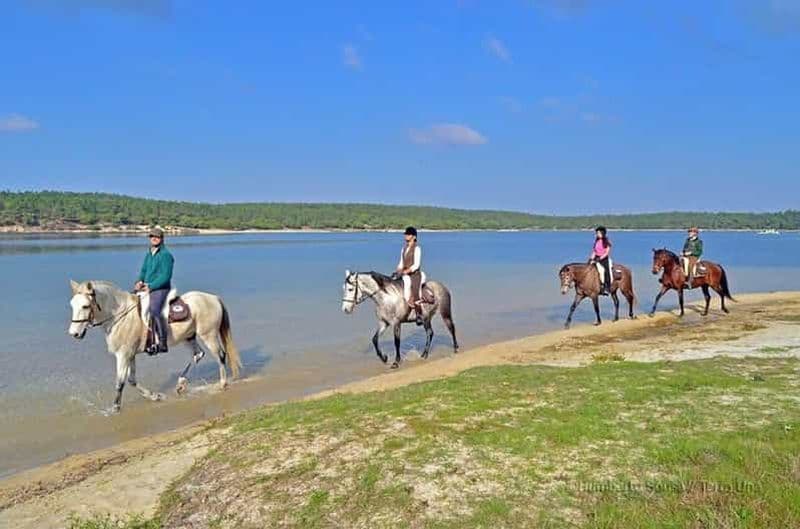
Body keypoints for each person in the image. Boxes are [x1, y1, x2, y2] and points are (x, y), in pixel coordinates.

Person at [135, 226, 174, 354]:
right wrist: (139, 281)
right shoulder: (149, 254)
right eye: (152, 236)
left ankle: (162, 342)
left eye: (157, 237)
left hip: (161, 288)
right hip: (146, 287)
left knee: (154, 310)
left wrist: (151, 286)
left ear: (162, 239)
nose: (154, 239)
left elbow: (166, 276)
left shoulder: (166, 255)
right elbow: (144, 270)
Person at [396, 226, 424, 325]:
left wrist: (407, 271)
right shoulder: (403, 248)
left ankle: (419, 314)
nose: (405, 236)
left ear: (413, 236)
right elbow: (401, 262)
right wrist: (398, 269)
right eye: (405, 234)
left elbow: (416, 265)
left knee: (415, 291)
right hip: (404, 273)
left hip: (414, 275)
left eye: (408, 234)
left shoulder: (417, 248)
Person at [589, 226, 612, 295]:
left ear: (603, 233)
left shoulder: (607, 242)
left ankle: (607, 287)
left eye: (599, 233)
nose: (597, 234)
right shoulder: (596, 241)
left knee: (605, 271)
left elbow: (607, 252)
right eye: (597, 233)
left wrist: (599, 259)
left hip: (604, 259)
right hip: (596, 257)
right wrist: (590, 259)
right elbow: (594, 251)